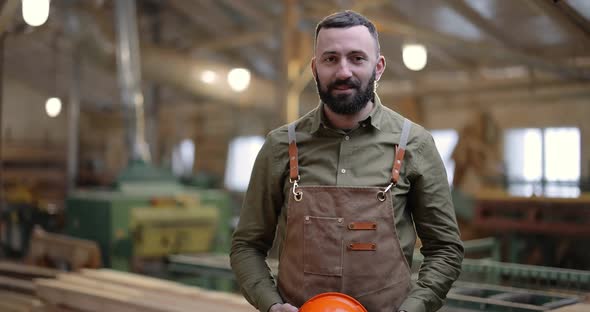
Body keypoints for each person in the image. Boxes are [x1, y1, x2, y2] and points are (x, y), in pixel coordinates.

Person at [230, 10, 464, 312]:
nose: (343, 72)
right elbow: (246, 245)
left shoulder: (415, 145)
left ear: (378, 67)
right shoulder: (280, 146)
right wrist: (272, 305)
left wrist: (413, 308)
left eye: (356, 58)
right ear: (315, 68)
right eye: (330, 59)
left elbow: (445, 249)